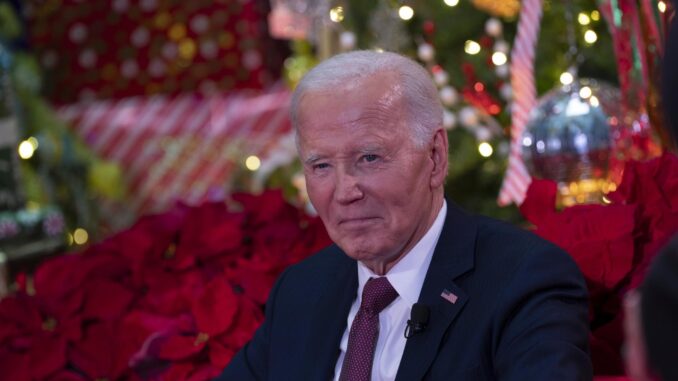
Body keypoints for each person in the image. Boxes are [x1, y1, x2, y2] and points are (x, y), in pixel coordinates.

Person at [217, 50, 591, 380]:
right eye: (321, 166)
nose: (346, 191)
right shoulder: (301, 290)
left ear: (435, 157)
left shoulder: (524, 280)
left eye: (369, 158)